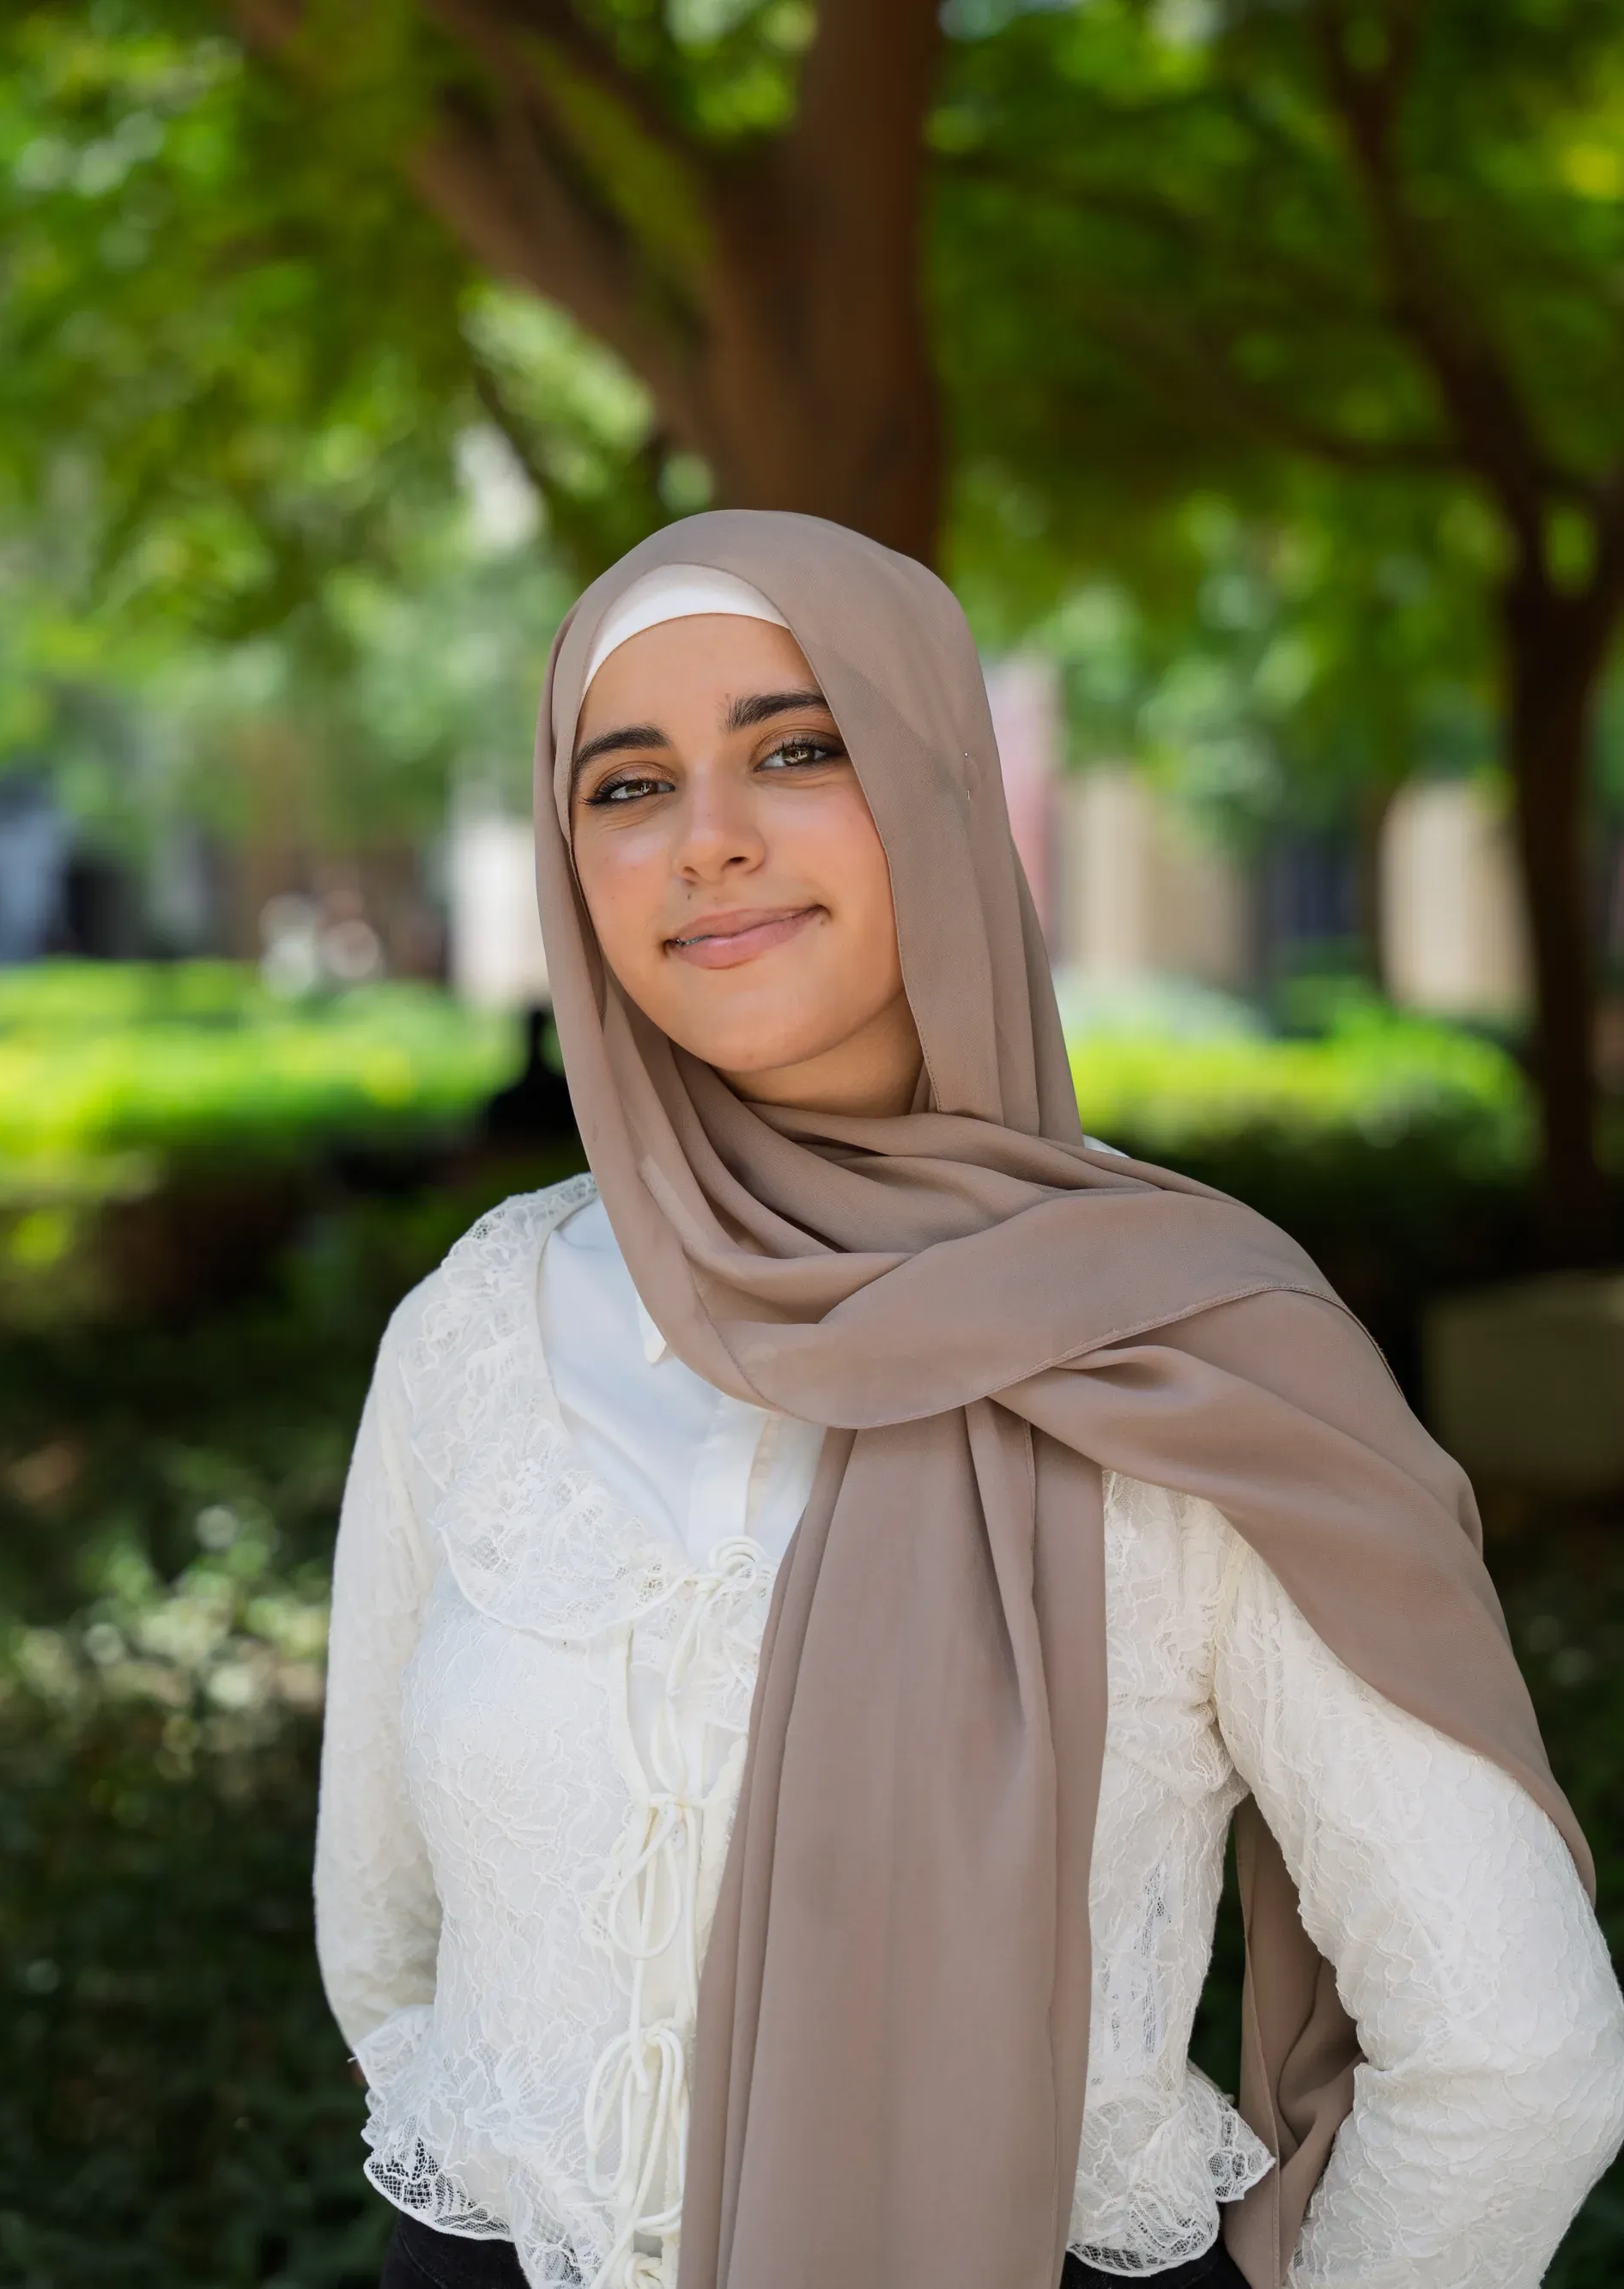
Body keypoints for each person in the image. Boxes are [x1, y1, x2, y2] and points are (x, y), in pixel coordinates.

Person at [315, 513, 1624, 2289]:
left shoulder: (1197, 1346)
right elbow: (389, 1956)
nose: (707, 839)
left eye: (797, 748)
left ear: (939, 786)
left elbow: (1511, 2057)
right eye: (627, 787)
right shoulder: (482, 1322)